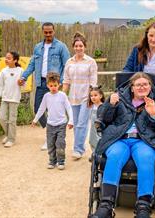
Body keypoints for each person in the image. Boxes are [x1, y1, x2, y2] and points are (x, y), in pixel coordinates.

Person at [92, 72, 155, 218]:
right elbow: (103, 117)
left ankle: (143, 207)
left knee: (146, 158)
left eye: (145, 84)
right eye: (138, 85)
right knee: (115, 155)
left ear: (150, 86)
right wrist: (110, 105)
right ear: (132, 87)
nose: (142, 87)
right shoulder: (119, 97)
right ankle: (106, 205)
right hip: (120, 138)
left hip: (144, 140)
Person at [18, 22, 70, 150]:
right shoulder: (38, 47)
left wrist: (62, 81)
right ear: (43, 32)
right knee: (38, 109)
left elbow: (67, 65)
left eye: (50, 32)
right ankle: (50, 134)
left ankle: (52, 137)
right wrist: (24, 76)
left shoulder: (61, 46)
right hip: (41, 83)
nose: (48, 34)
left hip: (55, 84)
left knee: (54, 111)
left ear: (54, 31)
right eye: (45, 32)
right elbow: (31, 65)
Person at [123, 22, 155, 112]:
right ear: (146, 35)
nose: (153, 39)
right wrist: (123, 79)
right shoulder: (137, 50)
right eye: (151, 35)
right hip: (138, 93)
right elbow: (128, 68)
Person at [62, 32, 98, 160]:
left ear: (85, 47)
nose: (78, 48)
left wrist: (91, 97)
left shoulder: (91, 62)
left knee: (82, 123)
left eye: (81, 46)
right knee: (76, 123)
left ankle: (78, 149)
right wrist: (62, 95)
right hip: (73, 97)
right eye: (76, 46)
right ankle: (80, 148)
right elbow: (66, 81)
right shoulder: (69, 62)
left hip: (86, 97)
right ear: (73, 47)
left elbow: (93, 82)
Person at [32, 72, 73, 170]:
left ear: (59, 85)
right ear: (47, 86)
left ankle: (61, 161)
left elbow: (69, 108)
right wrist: (35, 119)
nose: (53, 87)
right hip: (50, 125)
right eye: (51, 86)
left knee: (60, 143)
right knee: (50, 144)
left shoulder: (62, 95)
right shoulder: (46, 96)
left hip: (61, 124)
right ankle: (52, 161)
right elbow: (41, 108)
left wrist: (71, 121)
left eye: (55, 85)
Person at [0, 51, 23, 148]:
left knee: (12, 120)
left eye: (9, 58)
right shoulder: (3, 71)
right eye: (6, 58)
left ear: (15, 60)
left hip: (15, 98)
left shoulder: (20, 71)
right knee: (1, 117)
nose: (6, 60)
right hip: (5, 98)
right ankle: (8, 134)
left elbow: (24, 84)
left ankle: (11, 139)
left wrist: (21, 83)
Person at [88, 85, 105, 153]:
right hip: (93, 129)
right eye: (91, 96)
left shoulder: (103, 106)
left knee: (99, 141)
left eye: (95, 95)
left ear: (100, 96)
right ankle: (94, 154)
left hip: (100, 130)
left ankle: (99, 155)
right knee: (92, 141)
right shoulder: (92, 107)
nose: (93, 97)